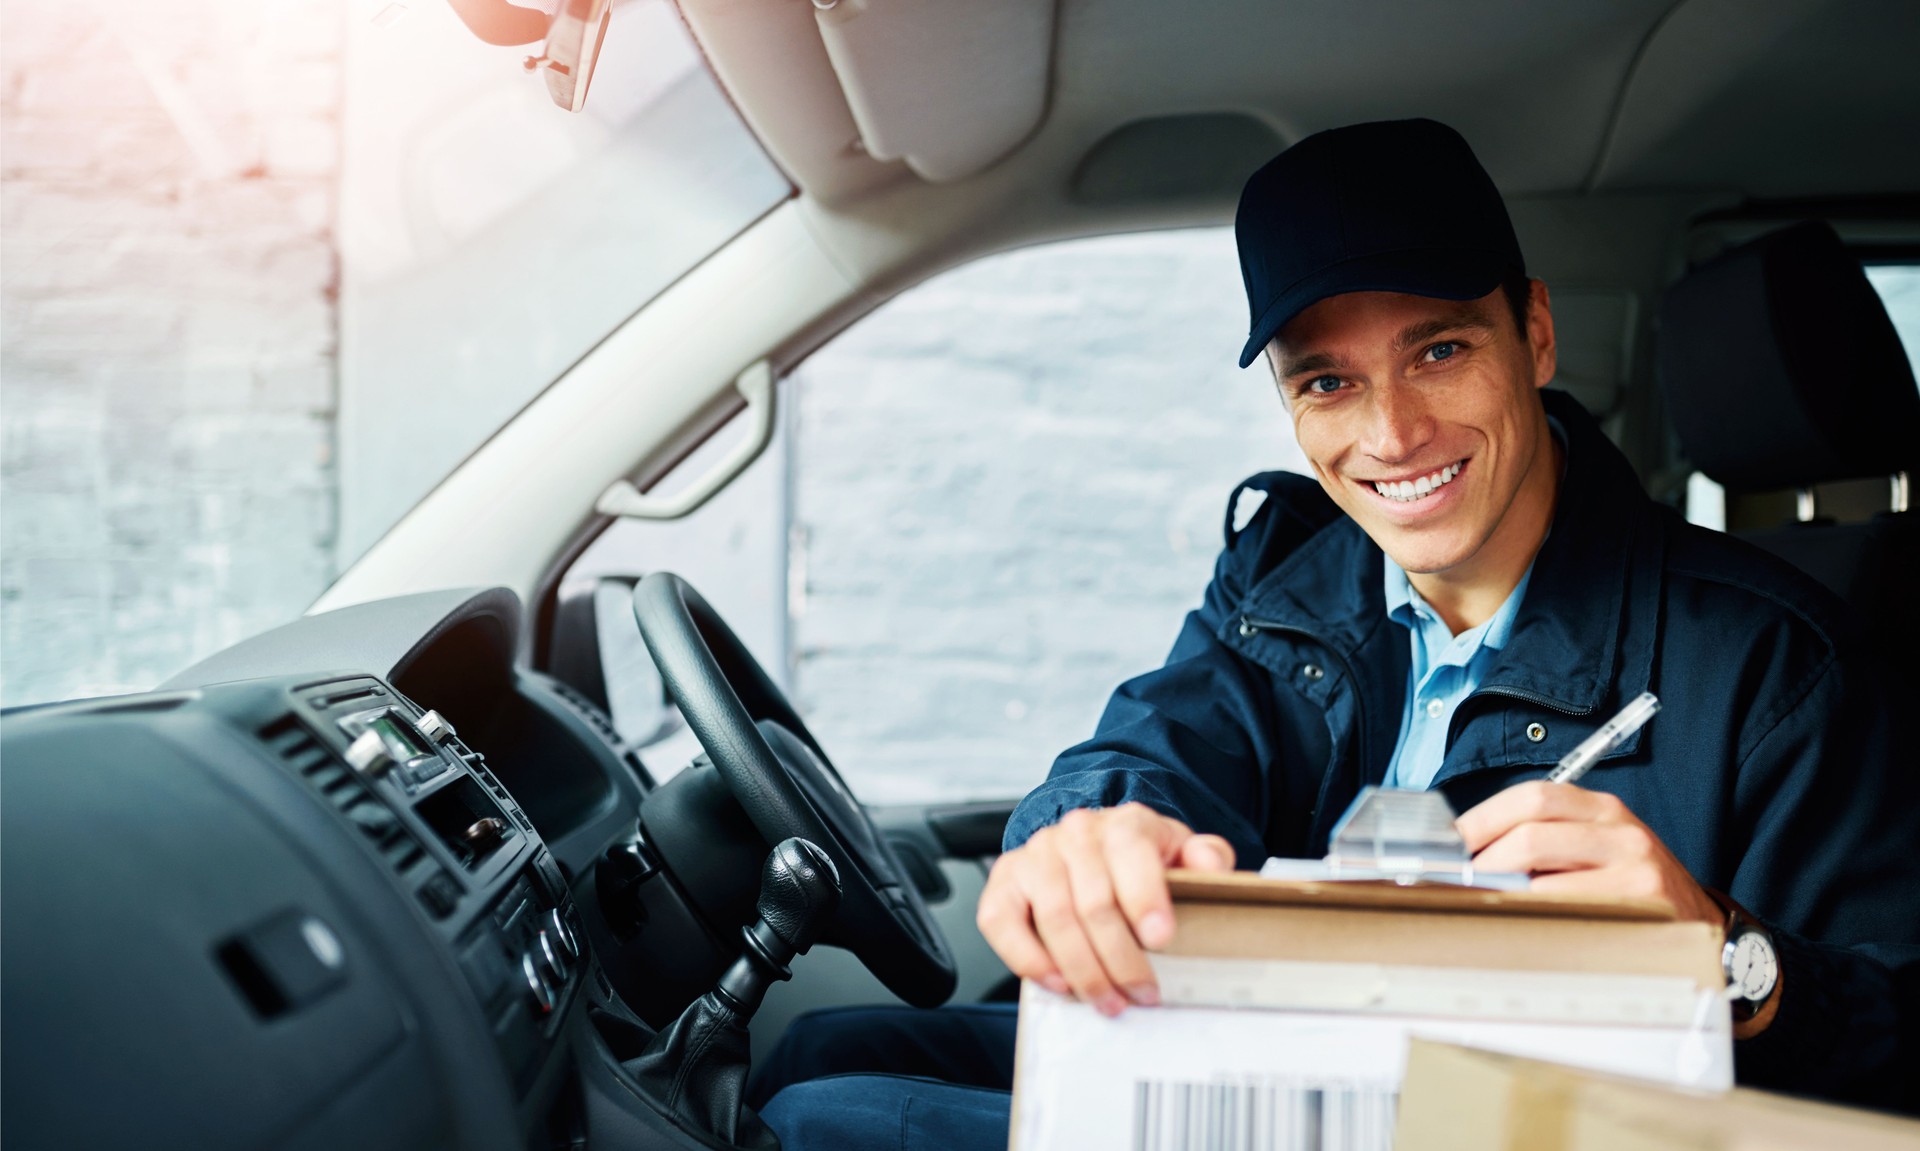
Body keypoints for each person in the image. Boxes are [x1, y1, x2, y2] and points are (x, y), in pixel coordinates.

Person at [752, 118, 1920, 1150]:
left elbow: (1899, 1046)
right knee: (810, 1053)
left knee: (821, 1123)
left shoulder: (1777, 668)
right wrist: (1089, 831)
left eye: (1441, 350)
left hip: (1517, 1121)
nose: (1395, 433)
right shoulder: (1290, 574)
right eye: (1328, 384)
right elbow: (1164, 741)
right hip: (1269, 1064)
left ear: (1537, 334)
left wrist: (1724, 953)